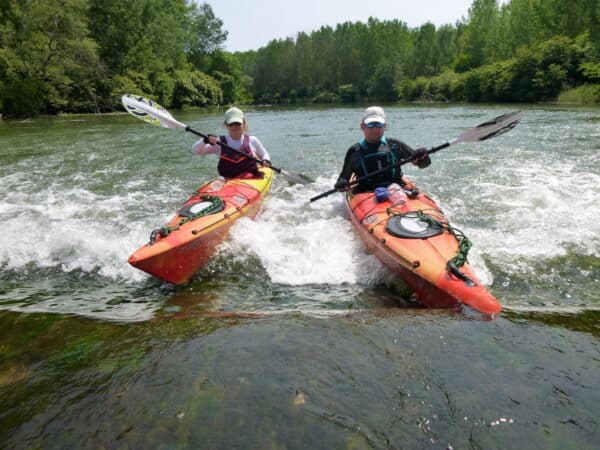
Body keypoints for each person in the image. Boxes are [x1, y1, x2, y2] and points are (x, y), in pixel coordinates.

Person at [334, 106, 430, 193]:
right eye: (371, 124)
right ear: (362, 127)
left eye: (379, 124)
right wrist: (342, 183)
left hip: (397, 188)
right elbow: (344, 177)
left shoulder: (395, 145)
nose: (375, 129)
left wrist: (423, 157)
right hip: (366, 192)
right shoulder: (354, 151)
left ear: (385, 126)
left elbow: (423, 164)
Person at [191, 107, 271, 179]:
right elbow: (195, 151)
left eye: (237, 123)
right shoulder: (218, 143)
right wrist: (204, 140)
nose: (234, 126)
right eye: (231, 124)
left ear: (243, 123)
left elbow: (264, 154)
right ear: (226, 125)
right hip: (227, 182)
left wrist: (266, 160)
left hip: (249, 180)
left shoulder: (253, 140)